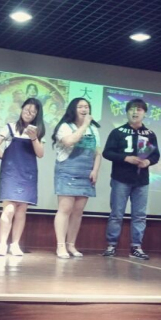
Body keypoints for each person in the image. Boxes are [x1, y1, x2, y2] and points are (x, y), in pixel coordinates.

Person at [101, 99, 160, 260]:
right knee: (116, 214)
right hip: (120, 178)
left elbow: (155, 155)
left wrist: (147, 161)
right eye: (132, 109)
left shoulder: (149, 134)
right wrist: (126, 158)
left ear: (145, 113)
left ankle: (136, 247)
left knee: (139, 215)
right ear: (126, 112)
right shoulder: (118, 132)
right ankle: (111, 245)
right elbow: (107, 153)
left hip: (142, 181)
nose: (135, 112)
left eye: (139, 110)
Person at [0, 98, 45, 256]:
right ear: (21, 109)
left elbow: (40, 154)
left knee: (21, 211)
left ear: (37, 115)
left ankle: (15, 244)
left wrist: (34, 137)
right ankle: (2, 244)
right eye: (27, 109)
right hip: (10, 173)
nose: (29, 113)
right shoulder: (10, 127)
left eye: (33, 112)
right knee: (9, 209)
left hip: (27, 173)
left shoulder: (37, 131)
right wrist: (4, 157)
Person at [52, 97, 102, 259]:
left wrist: (95, 170)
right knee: (65, 209)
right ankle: (60, 246)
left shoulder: (94, 130)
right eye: (80, 107)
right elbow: (70, 141)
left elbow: (98, 153)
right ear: (73, 109)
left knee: (78, 211)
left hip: (85, 172)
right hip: (67, 170)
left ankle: (71, 245)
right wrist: (85, 125)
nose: (84, 109)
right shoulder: (65, 127)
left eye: (86, 107)